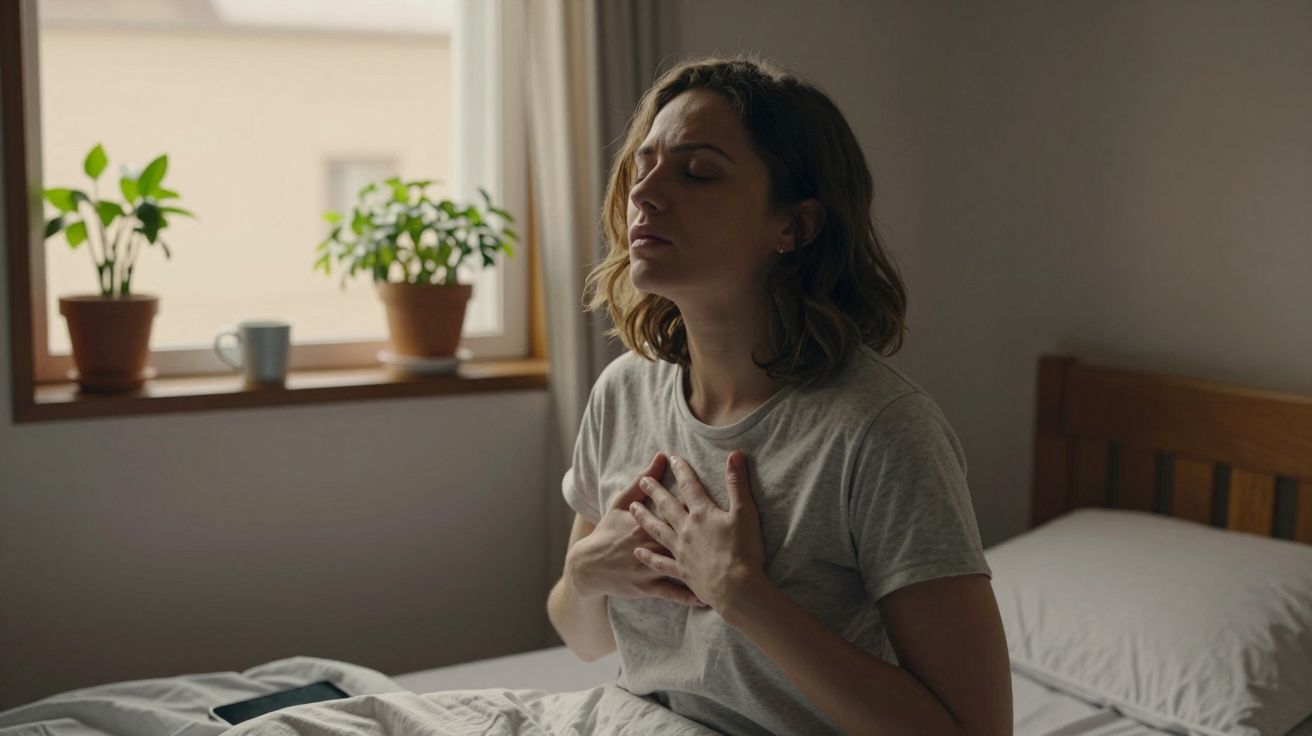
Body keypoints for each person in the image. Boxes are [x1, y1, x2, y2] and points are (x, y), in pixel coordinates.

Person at [546, 55, 1012, 736]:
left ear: (794, 227)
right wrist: (585, 573)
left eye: (697, 172)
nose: (644, 192)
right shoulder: (623, 392)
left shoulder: (881, 432)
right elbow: (584, 639)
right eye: (644, 165)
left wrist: (743, 595)